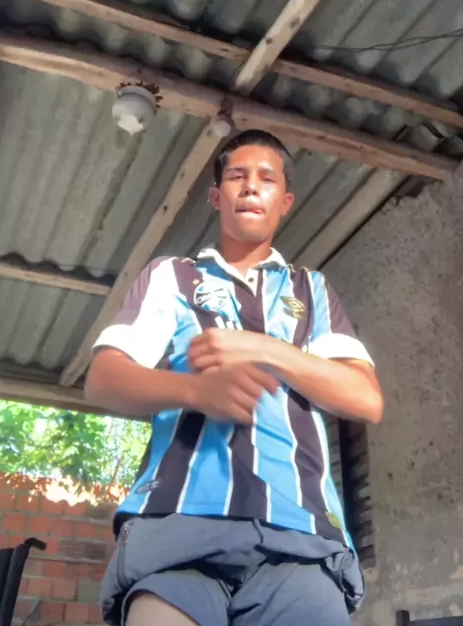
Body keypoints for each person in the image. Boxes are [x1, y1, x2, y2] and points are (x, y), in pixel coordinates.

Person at [85, 129, 383, 626]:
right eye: (237, 176)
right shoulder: (172, 276)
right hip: (177, 529)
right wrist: (196, 390)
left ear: (285, 202)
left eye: (267, 179)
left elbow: (366, 399)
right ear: (215, 195)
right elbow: (103, 377)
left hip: (300, 538)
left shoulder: (312, 290)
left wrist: (266, 348)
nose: (250, 187)